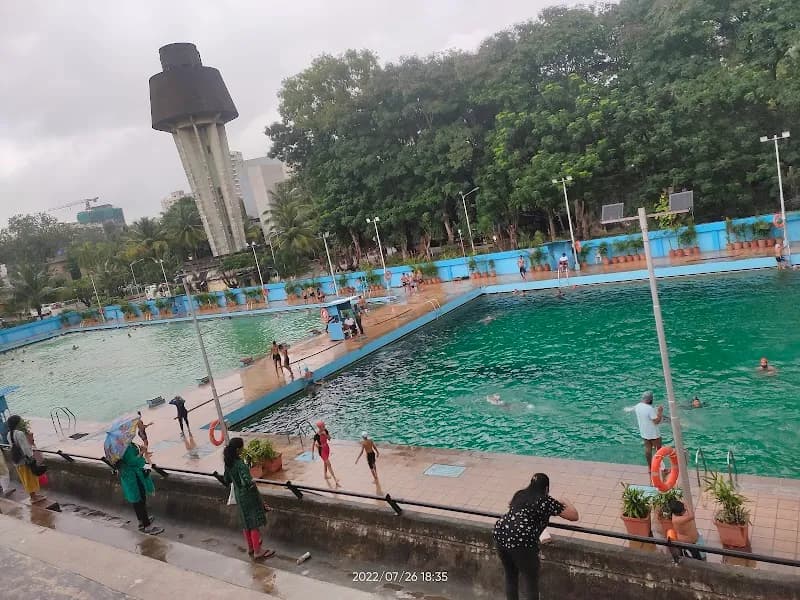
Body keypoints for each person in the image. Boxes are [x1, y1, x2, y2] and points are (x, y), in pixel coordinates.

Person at [493, 473, 579, 600]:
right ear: (546, 489)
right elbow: (574, 516)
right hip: (521, 543)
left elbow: (510, 503)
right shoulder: (546, 501)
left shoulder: (520, 494)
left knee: (511, 576)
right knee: (530, 580)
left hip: (500, 535)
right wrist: (564, 500)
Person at [223, 437, 275, 560]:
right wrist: (259, 499)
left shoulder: (228, 463)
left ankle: (251, 547)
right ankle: (258, 551)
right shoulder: (240, 464)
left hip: (238, 495)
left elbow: (226, 480)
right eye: (241, 447)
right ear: (238, 449)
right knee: (254, 523)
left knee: (246, 523)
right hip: (248, 496)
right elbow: (247, 481)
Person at [117, 442, 163, 535]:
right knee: (140, 499)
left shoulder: (123, 444)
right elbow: (133, 461)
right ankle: (147, 526)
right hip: (134, 476)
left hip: (129, 476)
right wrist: (141, 452)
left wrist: (139, 449)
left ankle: (141, 521)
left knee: (136, 499)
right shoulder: (124, 447)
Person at [6, 415, 45, 503]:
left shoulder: (9, 434)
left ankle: (33, 495)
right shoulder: (19, 433)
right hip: (25, 460)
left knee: (25, 478)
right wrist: (31, 456)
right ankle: (33, 497)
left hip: (17, 460)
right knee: (30, 478)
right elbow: (25, 448)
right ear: (17, 423)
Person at [634, 391, 664, 468]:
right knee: (659, 451)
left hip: (644, 432)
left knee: (648, 449)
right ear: (651, 399)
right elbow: (656, 421)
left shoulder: (638, 406)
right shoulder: (649, 409)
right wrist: (660, 412)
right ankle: (662, 469)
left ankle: (650, 467)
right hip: (654, 434)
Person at [312, 421, 339, 486]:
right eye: (323, 426)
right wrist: (312, 454)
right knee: (329, 464)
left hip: (327, 448)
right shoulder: (316, 435)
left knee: (325, 463)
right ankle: (335, 480)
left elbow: (329, 439)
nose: (324, 427)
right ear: (319, 427)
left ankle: (325, 475)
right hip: (321, 451)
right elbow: (313, 444)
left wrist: (325, 434)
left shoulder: (325, 431)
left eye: (324, 426)